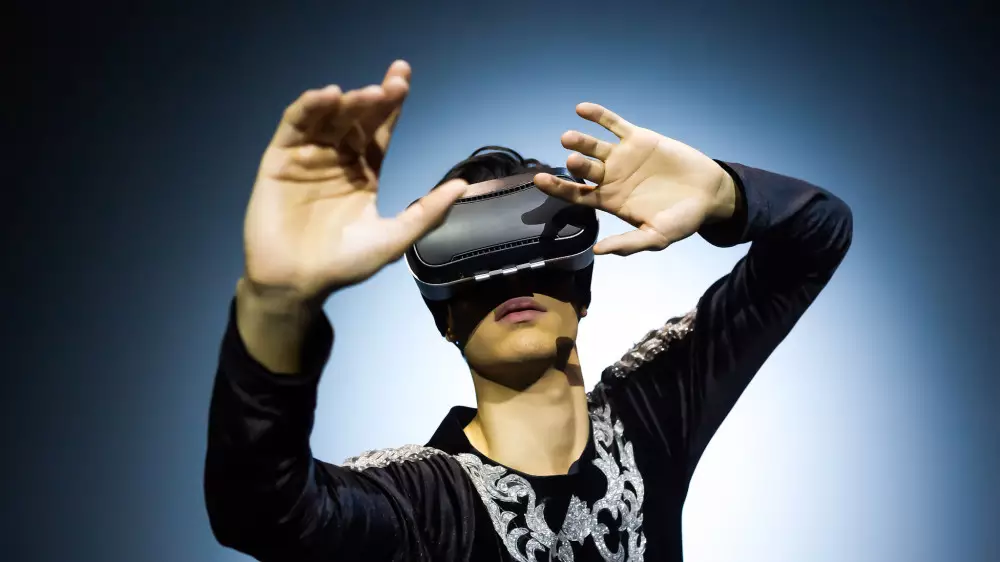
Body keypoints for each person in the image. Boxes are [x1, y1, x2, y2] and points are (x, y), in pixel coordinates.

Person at [204, 60, 853, 562]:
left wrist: (724, 192)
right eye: (472, 260)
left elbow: (816, 236)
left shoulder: (651, 418)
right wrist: (277, 306)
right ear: (445, 318)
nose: (508, 275)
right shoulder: (421, 504)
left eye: (538, 246)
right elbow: (262, 510)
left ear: (582, 288)